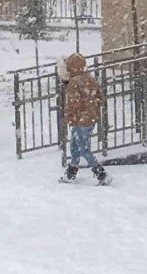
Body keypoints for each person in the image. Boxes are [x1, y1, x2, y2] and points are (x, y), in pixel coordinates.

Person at [60, 53, 112, 185]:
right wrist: (92, 109)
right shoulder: (90, 79)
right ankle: (71, 173)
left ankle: (101, 173)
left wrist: (69, 116)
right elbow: (100, 97)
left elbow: (73, 103)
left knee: (82, 147)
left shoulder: (74, 82)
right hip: (90, 118)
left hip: (80, 119)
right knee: (75, 145)